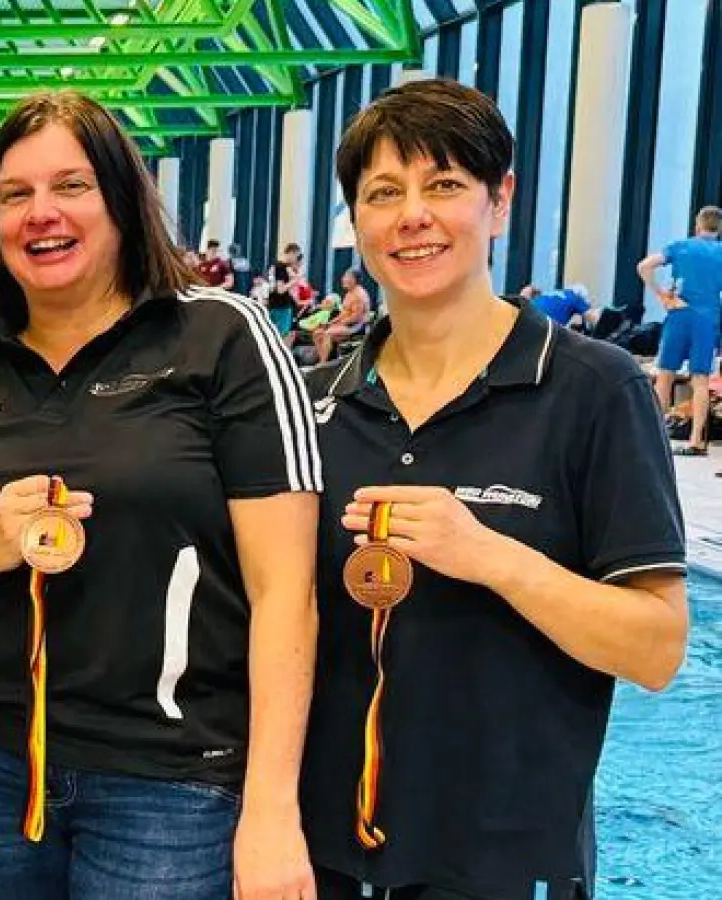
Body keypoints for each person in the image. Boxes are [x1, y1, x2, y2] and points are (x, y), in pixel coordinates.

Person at [0, 90, 322, 900]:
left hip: (170, 779)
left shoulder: (221, 338)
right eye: (14, 195)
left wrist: (272, 807)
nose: (40, 214)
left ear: (122, 200)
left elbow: (287, 595)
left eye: (71, 186)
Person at [303, 78, 688, 900]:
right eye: (383, 193)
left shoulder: (594, 391)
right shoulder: (310, 403)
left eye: (444, 185)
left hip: (507, 861)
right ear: (357, 222)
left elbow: (657, 649)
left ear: (499, 200)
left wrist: (485, 553)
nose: (413, 216)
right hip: (324, 850)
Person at [639, 205, 722, 456]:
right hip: (707, 319)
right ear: (719, 230)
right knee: (700, 381)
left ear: (697, 225)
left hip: (679, 313)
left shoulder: (681, 246)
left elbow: (644, 266)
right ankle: (696, 441)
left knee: (665, 376)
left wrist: (661, 294)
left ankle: (654, 438)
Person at [311, 269, 371, 363]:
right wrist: (330, 322)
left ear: (354, 280)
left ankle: (322, 363)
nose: (343, 279)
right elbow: (343, 313)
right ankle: (326, 359)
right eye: (344, 277)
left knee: (328, 333)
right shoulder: (349, 292)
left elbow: (356, 318)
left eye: (346, 277)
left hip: (356, 327)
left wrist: (338, 324)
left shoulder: (359, 295)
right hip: (345, 323)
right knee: (317, 333)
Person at [267, 243, 304, 337]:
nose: (296, 259)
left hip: (273, 303)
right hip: (281, 306)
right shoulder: (281, 267)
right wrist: (295, 280)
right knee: (281, 335)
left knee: (272, 334)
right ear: (292, 253)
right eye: (297, 256)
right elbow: (281, 290)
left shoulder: (275, 265)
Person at [529, 283, 596, 329]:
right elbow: (594, 317)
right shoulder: (575, 298)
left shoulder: (553, 294)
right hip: (542, 327)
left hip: (528, 318)